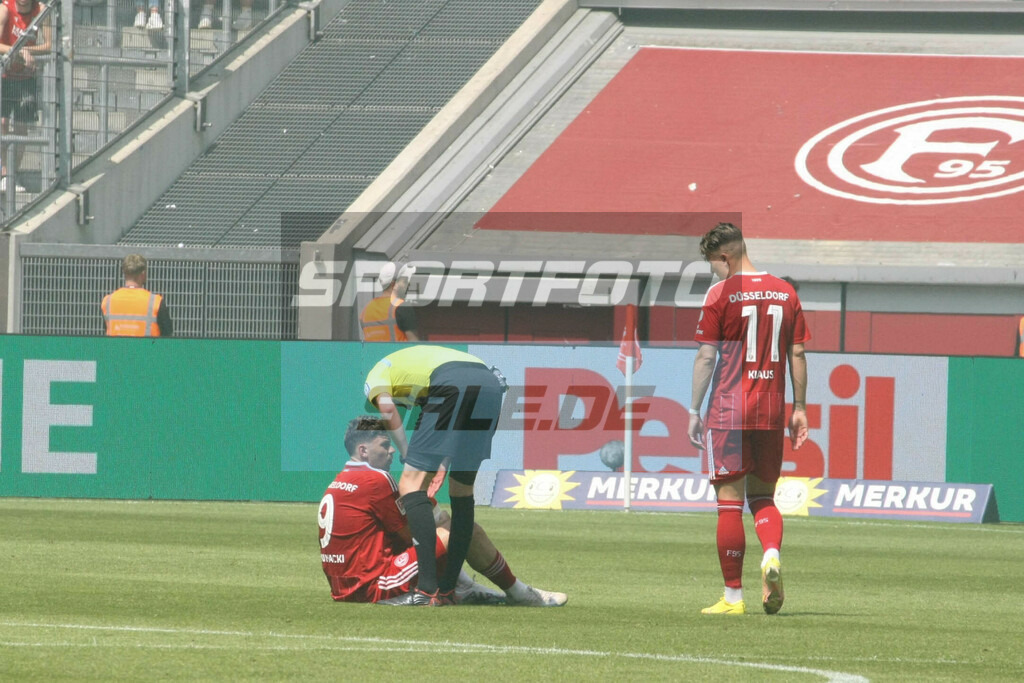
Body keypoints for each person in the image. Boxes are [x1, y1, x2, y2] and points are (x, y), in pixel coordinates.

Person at [687, 222, 810, 616]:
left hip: (729, 409)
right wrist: (800, 407)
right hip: (771, 409)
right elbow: (797, 354)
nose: (713, 271)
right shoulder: (786, 291)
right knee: (763, 497)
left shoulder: (720, 294)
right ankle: (771, 553)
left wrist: (693, 409)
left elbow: (707, 356)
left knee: (729, 503)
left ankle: (733, 597)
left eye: (712, 264)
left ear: (724, 257)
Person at [318, 416, 568, 606]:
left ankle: (465, 586)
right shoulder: (376, 479)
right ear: (363, 451)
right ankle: (519, 593)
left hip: (344, 587)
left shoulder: (339, 481)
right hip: (373, 585)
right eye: (385, 445)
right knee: (461, 530)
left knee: (442, 526)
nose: (391, 450)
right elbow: (414, 537)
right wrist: (435, 511)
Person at [364, 345, 531, 606]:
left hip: (451, 381)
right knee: (461, 490)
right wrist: (442, 464)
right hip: (490, 385)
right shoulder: (415, 371)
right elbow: (447, 427)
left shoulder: (376, 376)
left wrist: (406, 451)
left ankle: (426, 591)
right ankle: (448, 589)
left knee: (411, 484)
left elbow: (387, 409)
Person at [0, 0, 50, 194]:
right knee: (3, 123)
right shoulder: (5, 9)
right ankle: (4, 172)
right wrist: (18, 50)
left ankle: (12, 174)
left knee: (21, 128)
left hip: (26, 77)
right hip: (5, 75)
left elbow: (49, 45)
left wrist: (28, 50)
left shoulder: (41, 10)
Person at [101, 254, 174, 337]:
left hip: (116, 346)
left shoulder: (107, 301)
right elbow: (167, 334)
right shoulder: (156, 302)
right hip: (148, 346)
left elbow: (106, 329)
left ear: (124, 273)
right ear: (143, 273)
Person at [359, 261, 420, 342]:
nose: (408, 285)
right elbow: (414, 343)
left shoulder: (366, 310)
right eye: (405, 281)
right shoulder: (402, 307)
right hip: (399, 351)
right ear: (393, 284)